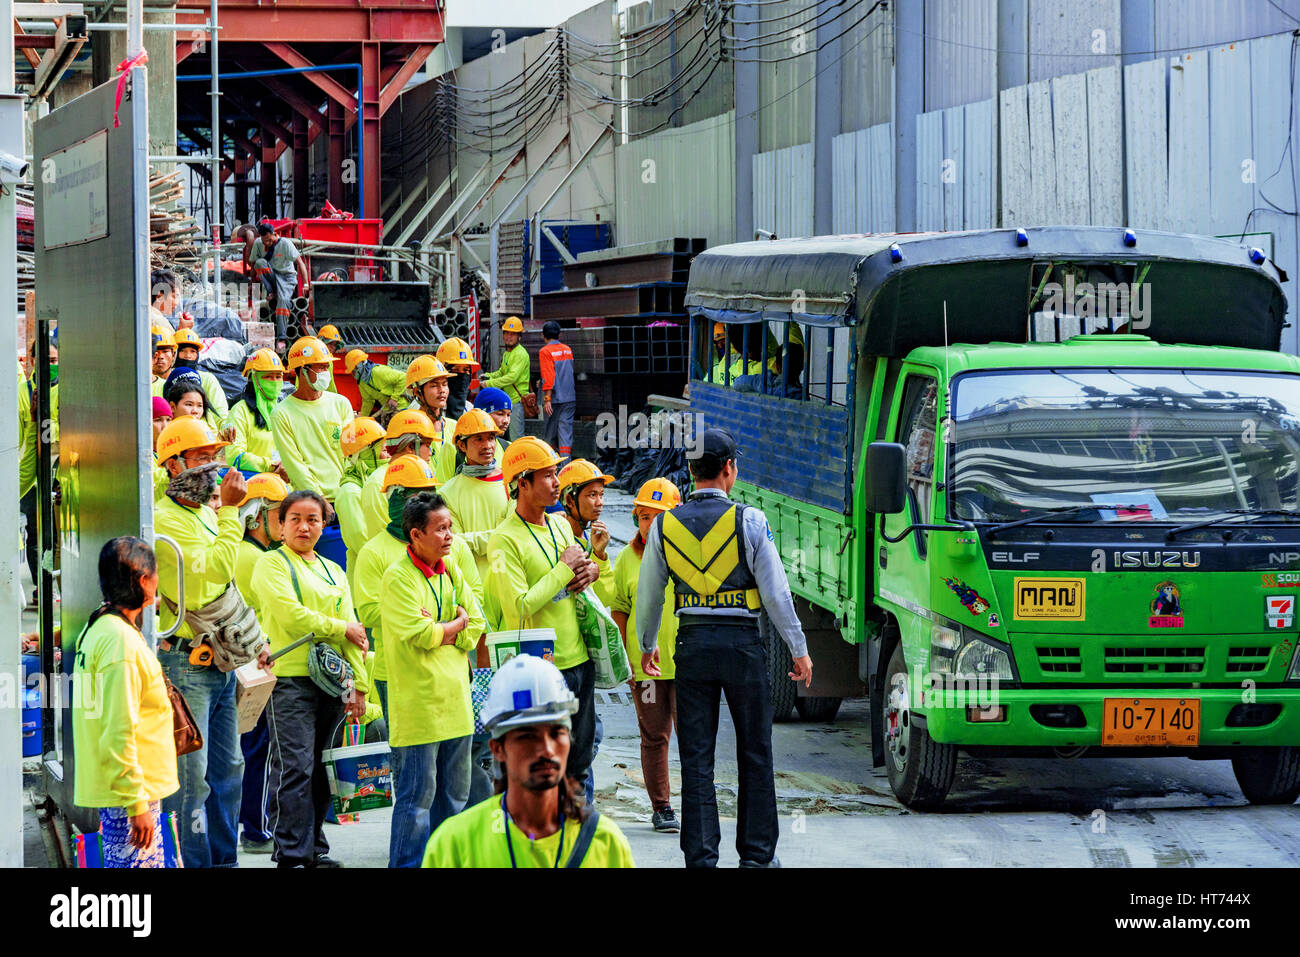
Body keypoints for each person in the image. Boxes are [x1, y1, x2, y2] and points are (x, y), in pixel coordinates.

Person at [636, 428, 813, 868]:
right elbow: (776, 594)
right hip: (742, 647)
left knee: (696, 758)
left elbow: (649, 595)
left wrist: (645, 644)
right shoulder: (749, 521)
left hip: (691, 645)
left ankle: (700, 858)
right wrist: (799, 647)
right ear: (729, 469)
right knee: (755, 751)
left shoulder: (664, 524)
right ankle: (756, 858)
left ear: (690, 471)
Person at [421, 655, 634, 868]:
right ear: (498, 749)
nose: (547, 749)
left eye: (556, 733)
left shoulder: (606, 843)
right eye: (528, 736)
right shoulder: (454, 844)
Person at [254, 489, 369, 868]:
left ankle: (314, 849)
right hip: (290, 681)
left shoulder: (333, 570)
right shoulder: (271, 564)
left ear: (324, 524)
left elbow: (356, 636)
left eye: (313, 519)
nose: (305, 526)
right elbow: (290, 615)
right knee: (295, 767)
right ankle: (290, 853)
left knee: (323, 767)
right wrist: (340, 628)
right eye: (295, 519)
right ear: (281, 525)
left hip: (332, 683)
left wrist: (360, 686)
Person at [153, 416, 249, 868]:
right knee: (193, 784)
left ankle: (223, 861)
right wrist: (230, 511)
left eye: (214, 455)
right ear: (174, 466)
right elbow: (212, 577)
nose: (213, 466)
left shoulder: (203, 515)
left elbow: (228, 588)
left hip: (220, 662)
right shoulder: (164, 521)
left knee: (228, 773)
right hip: (187, 668)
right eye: (201, 457)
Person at [487, 437, 600, 800]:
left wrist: (590, 571)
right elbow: (518, 606)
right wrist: (564, 569)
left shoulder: (560, 526)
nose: (556, 483)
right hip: (538, 670)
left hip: (579, 660)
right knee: (540, 769)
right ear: (522, 483)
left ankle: (575, 842)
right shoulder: (504, 540)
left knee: (579, 763)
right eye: (548, 475)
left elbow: (578, 574)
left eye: (556, 474)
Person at [381, 490, 485, 867]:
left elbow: (476, 624)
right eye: (440, 529)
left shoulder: (452, 567)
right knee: (416, 801)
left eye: (450, 528)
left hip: (456, 704)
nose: (448, 536)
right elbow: (420, 634)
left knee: (455, 799)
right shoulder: (397, 578)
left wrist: (448, 628)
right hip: (419, 709)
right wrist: (452, 625)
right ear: (416, 536)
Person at [71, 537, 179, 868]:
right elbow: (118, 730)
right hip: (130, 792)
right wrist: (137, 805)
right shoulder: (121, 645)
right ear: (143, 580)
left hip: (122, 786)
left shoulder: (98, 627)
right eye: (155, 572)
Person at [610, 478, 683, 833]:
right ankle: (663, 807)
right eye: (643, 517)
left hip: (687, 664)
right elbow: (619, 610)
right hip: (647, 671)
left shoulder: (688, 556)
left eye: (658, 517)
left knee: (696, 736)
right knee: (654, 736)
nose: (649, 524)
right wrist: (626, 660)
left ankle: (700, 802)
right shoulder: (626, 559)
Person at [232, 472, 289, 855]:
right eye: (278, 514)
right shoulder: (254, 558)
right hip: (257, 662)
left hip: (244, 659)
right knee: (260, 749)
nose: (285, 523)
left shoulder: (250, 553)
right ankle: (256, 827)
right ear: (256, 517)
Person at [271, 336, 355, 504]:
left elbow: (352, 454)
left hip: (346, 496)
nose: (326, 372)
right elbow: (295, 466)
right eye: (321, 367)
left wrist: (350, 491)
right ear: (302, 370)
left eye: (327, 366)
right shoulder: (282, 414)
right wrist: (319, 499)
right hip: (309, 501)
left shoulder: (341, 404)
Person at [438, 410, 508, 609]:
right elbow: (455, 544)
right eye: (478, 439)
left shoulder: (512, 483)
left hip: (513, 586)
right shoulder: (447, 493)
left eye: (491, 438)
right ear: (461, 445)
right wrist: (503, 537)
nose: (488, 446)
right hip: (476, 593)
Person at [19, 336, 58, 595]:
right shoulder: (22, 392)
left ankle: (56, 582)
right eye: (45, 361)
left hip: (60, 469)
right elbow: (20, 439)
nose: (50, 366)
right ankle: (42, 587)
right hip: (32, 472)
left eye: (54, 361)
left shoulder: (68, 389)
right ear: (33, 361)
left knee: (58, 535)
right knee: (35, 534)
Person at [360, 408, 436, 541]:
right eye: (428, 446)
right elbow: (382, 538)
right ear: (411, 446)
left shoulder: (425, 472)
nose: (430, 453)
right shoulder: (378, 483)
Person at [335, 415, 387, 586]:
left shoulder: (380, 480)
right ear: (364, 451)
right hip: (370, 581)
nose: (387, 453)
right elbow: (362, 541)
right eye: (382, 447)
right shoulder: (350, 491)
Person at [226, 348, 289, 476]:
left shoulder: (285, 409)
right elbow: (235, 456)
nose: (275, 382)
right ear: (254, 379)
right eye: (268, 377)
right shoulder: (240, 411)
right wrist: (270, 466)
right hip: (252, 484)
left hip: (284, 482)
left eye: (278, 377)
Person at [245, 221, 309, 339]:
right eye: (265, 242)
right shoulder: (258, 244)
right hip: (273, 277)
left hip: (286, 278)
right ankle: (272, 292)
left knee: (283, 302)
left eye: (270, 240)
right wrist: (254, 287)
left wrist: (305, 284)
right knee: (260, 263)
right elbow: (254, 265)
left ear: (274, 234)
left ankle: (282, 337)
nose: (268, 244)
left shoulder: (285, 243)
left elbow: (300, 262)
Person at [479, 316, 529, 440]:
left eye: (513, 334)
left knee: (516, 438)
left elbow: (511, 377)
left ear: (519, 336)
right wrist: (488, 376)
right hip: (508, 402)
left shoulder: (520, 354)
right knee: (505, 437)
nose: (509, 337)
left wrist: (489, 383)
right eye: (506, 333)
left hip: (516, 401)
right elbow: (502, 372)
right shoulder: (508, 353)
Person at [171, 328, 231, 424]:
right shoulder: (168, 378)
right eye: (183, 351)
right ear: (175, 353)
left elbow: (220, 410)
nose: (188, 356)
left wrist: (224, 428)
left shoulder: (207, 379)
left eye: (192, 351)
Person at [404, 354, 458, 454]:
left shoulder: (455, 428)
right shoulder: (409, 430)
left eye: (444, 384)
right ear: (417, 392)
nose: (442, 390)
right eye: (434, 385)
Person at [539, 321, 575, 461]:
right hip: (570, 398)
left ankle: (551, 465)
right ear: (558, 334)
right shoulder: (568, 349)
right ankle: (566, 466)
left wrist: (547, 399)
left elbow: (549, 376)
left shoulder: (545, 351)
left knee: (549, 434)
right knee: (565, 434)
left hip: (554, 400)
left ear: (543, 335)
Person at [345, 349, 408, 420]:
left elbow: (403, 378)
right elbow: (368, 401)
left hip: (402, 407)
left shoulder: (378, 372)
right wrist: (362, 417)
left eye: (353, 370)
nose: (353, 374)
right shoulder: (362, 382)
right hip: (388, 410)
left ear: (360, 365)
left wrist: (394, 398)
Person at [435, 336, 478, 420]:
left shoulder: (469, 410)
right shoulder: (426, 410)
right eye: (456, 370)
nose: (461, 377)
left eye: (466, 370)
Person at [151, 397, 173, 501]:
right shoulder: (137, 452)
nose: (165, 426)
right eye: (157, 420)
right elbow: (148, 476)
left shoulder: (175, 451)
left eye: (168, 420)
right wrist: (177, 472)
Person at [315, 324, 345, 394]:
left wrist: (335, 397)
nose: (333, 347)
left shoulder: (329, 359)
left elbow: (330, 383)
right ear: (321, 341)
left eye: (334, 345)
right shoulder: (311, 359)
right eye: (330, 343)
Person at [150, 323, 176, 397]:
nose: (160, 356)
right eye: (156, 352)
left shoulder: (177, 385)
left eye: (165, 351)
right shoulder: (140, 386)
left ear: (173, 355)